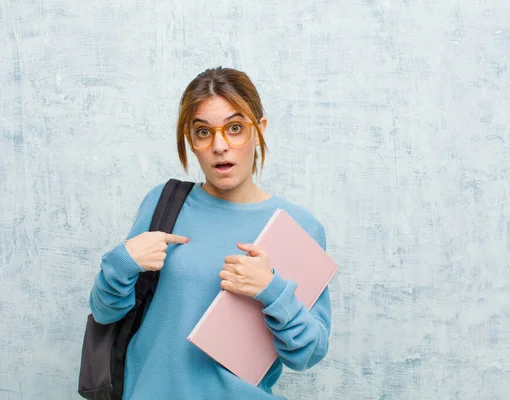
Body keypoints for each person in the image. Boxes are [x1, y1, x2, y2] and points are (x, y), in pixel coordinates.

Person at [89, 67, 332, 399]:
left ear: (259, 129)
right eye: (204, 132)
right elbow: (105, 312)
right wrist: (123, 261)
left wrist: (271, 291)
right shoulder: (163, 204)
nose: (220, 146)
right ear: (191, 139)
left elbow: (308, 353)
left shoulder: (298, 226)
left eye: (235, 128)